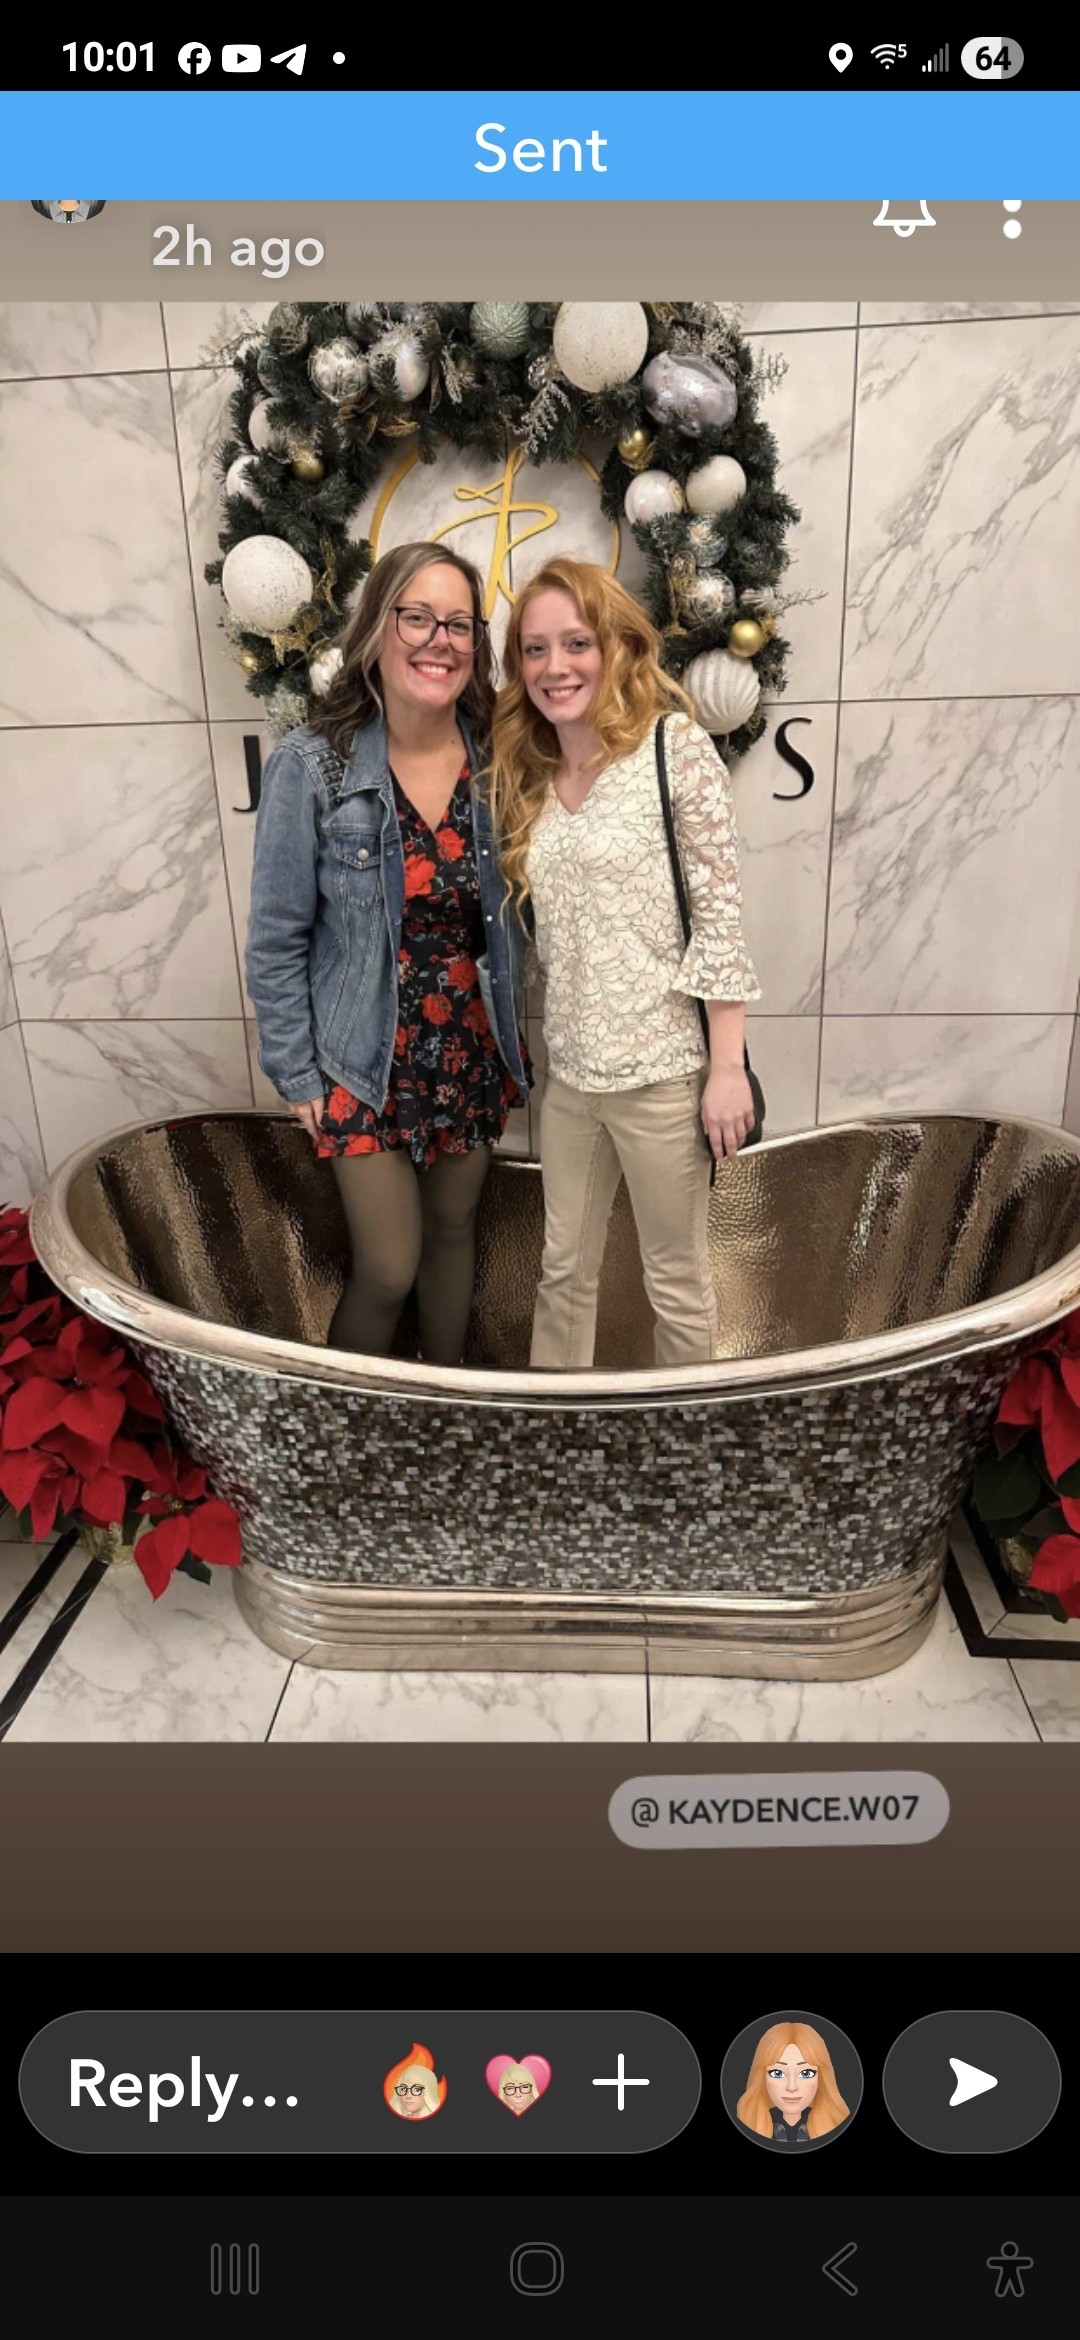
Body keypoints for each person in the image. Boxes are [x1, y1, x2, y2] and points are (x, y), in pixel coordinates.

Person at [246, 542, 530, 1364]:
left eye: (459, 624)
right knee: (389, 1265)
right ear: (377, 628)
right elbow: (276, 936)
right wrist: (298, 1072)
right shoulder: (313, 764)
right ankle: (347, 1430)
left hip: (469, 1042)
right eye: (418, 618)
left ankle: (442, 1416)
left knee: (453, 1235)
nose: (439, 640)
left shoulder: (499, 760)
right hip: (358, 1055)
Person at [490, 556, 760, 1372]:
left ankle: (686, 1435)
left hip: (664, 1076)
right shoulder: (530, 773)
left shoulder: (674, 750)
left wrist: (727, 1068)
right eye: (535, 649)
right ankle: (560, 1430)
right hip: (571, 1079)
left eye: (576, 642)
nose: (555, 666)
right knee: (562, 1272)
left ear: (615, 645)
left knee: (675, 1281)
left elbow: (719, 920)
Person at [736, 2023, 851, 2145]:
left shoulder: (838, 2125)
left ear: (821, 2078)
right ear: (762, 2077)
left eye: (806, 2073)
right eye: (777, 2073)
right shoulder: (747, 2124)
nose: (791, 2087)